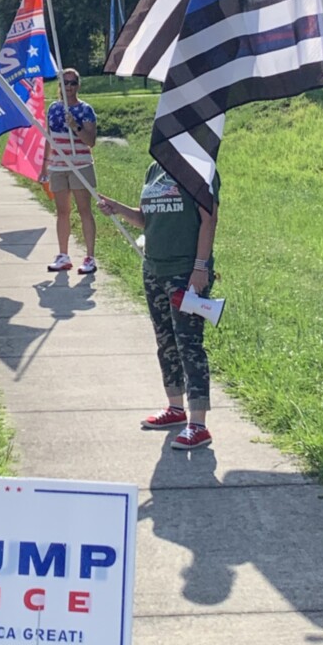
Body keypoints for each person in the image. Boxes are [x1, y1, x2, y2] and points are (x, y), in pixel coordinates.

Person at [98, 160, 219, 450]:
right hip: (154, 269)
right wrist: (118, 208)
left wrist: (200, 267)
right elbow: (146, 219)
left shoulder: (200, 168)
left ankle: (198, 423)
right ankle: (175, 408)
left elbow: (209, 219)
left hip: (186, 272)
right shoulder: (154, 169)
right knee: (165, 342)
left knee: (189, 343)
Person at [39, 68, 98, 275]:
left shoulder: (86, 110)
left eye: (73, 83)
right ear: (60, 86)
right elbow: (49, 138)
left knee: (84, 211)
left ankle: (90, 257)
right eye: (66, 83)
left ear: (78, 85)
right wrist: (44, 166)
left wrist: (76, 126)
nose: (69, 87)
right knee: (62, 212)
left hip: (80, 164)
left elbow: (91, 141)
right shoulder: (54, 109)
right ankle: (63, 255)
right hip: (58, 165)